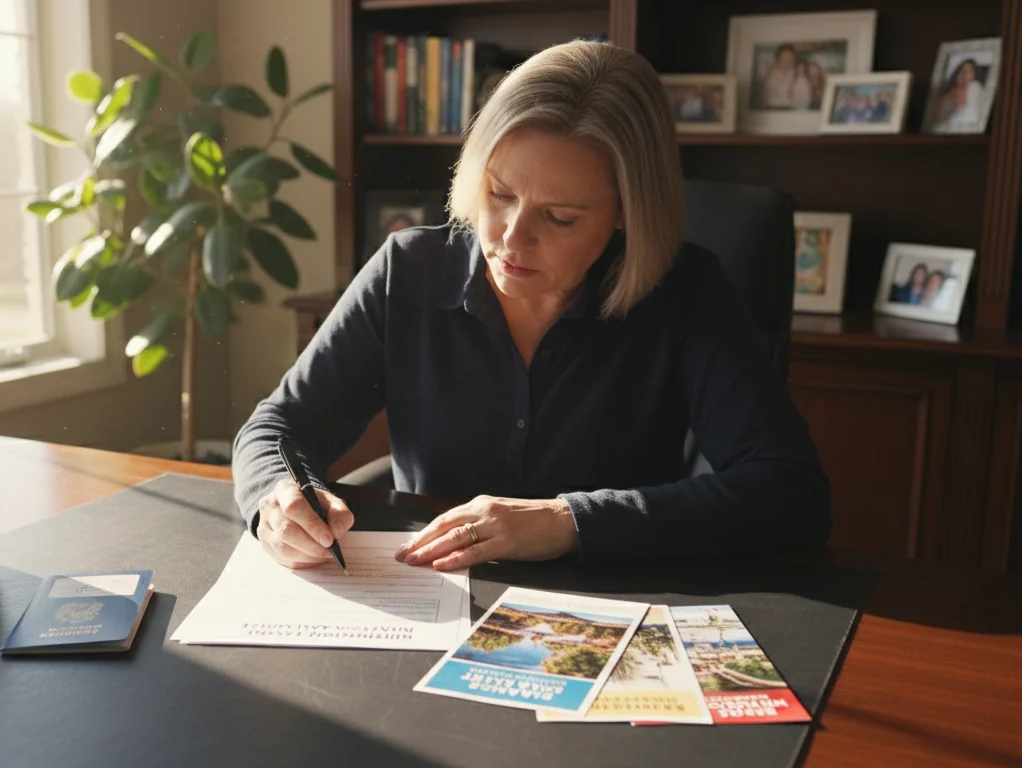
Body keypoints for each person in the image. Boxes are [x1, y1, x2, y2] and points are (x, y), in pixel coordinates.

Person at [231, 40, 832, 572]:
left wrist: (567, 521)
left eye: (560, 217)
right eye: (500, 194)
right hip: (431, 599)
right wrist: (278, 495)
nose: (512, 240)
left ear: (627, 212)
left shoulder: (686, 291)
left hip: (614, 603)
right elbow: (277, 427)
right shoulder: (407, 270)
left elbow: (791, 492)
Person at [936, 58, 986, 127]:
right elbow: (941, 123)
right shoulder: (946, 98)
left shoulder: (976, 88)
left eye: (970, 71)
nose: (965, 74)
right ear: (956, 74)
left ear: (973, 76)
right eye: (962, 70)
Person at [761, 44, 800, 109]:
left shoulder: (797, 74)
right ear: (778, 57)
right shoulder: (770, 73)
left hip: (789, 109)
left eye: (790, 57)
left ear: (794, 59)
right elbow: (765, 95)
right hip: (770, 108)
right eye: (784, 56)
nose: (787, 60)